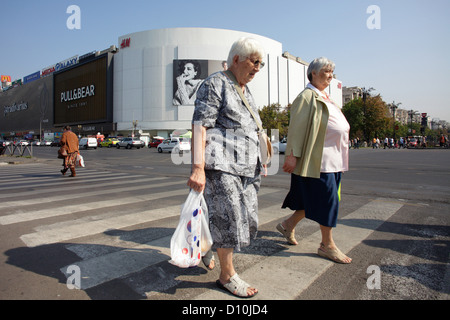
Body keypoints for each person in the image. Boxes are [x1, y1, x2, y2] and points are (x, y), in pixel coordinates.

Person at [187, 37, 266, 298]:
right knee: (229, 219)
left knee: (247, 220)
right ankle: (227, 275)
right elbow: (200, 125)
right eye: (255, 62)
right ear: (236, 59)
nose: (258, 68)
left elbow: (253, 127)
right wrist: (198, 167)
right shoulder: (215, 84)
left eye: (261, 64)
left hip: (247, 167)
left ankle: (205, 243)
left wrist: (261, 159)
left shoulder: (245, 89)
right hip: (222, 164)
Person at [277, 57, 352, 264]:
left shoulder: (325, 96)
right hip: (320, 161)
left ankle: (287, 225)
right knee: (328, 201)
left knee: (317, 200)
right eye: (326, 72)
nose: (330, 76)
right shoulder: (307, 96)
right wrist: (291, 155)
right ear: (313, 74)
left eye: (331, 72)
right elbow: (297, 128)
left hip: (334, 160)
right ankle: (327, 246)